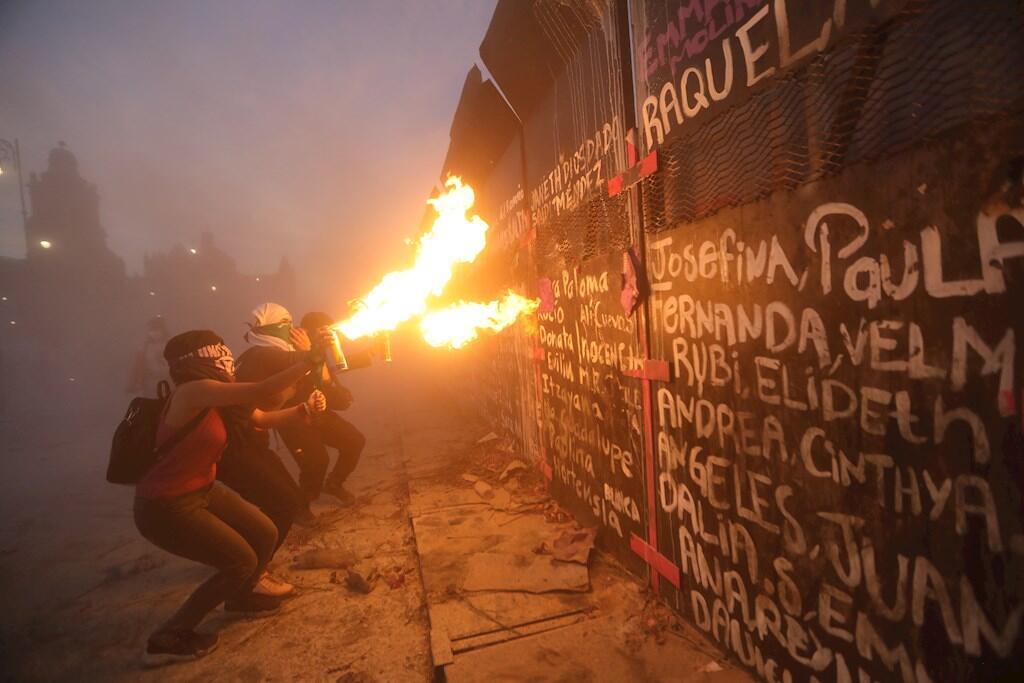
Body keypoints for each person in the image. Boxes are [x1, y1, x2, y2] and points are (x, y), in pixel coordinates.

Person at [134, 330, 327, 664]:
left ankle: (241, 597)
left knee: (265, 532)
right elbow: (261, 390)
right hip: (165, 506)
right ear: (198, 360)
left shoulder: (218, 397)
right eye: (218, 353)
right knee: (240, 561)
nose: (226, 357)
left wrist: (304, 408)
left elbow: (263, 417)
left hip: (202, 490)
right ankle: (170, 634)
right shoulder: (194, 391)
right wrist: (307, 359)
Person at [278, 311, 367, 506]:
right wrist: (309, 353)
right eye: (322, 330)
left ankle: (334, 484)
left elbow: (328, 377)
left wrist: (366, 355)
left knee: (354, 441)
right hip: (294, 418)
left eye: (329, 330)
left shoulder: (319, 348)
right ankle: (302, 505)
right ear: (307, 331)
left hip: (320, 412)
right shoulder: (289, 349)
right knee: (316, 462)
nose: (328, 334)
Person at [127, 316, 170, 397]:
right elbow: (138, 366)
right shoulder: (144, 347)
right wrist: (135, 383)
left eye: (157, 328)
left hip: (169, 383)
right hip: (150, 384)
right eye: (152, 329)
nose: (154, 332)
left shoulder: (171, 344)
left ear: (163, 329)